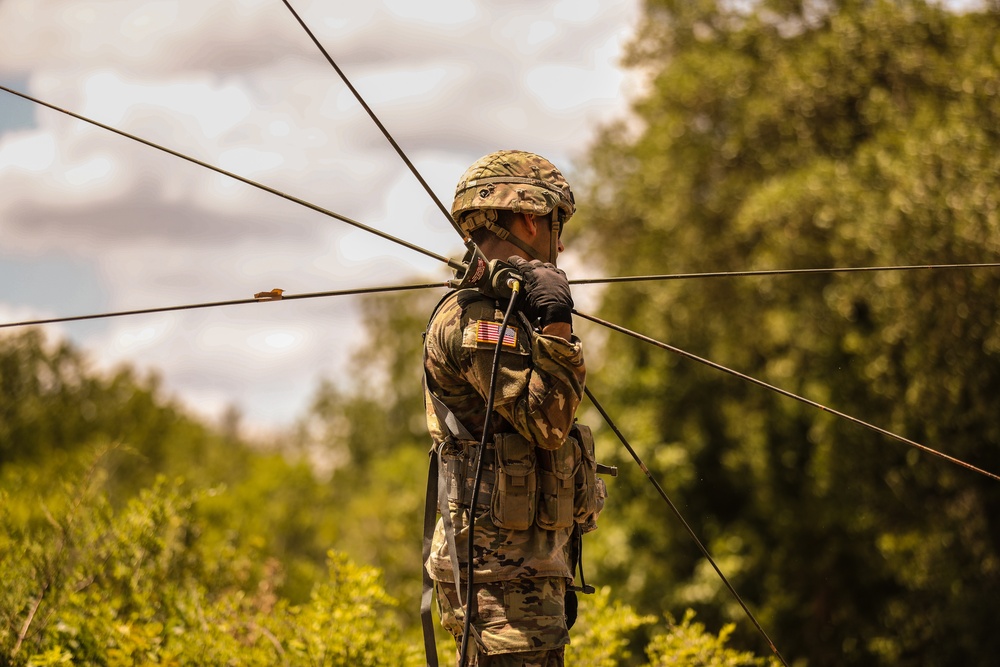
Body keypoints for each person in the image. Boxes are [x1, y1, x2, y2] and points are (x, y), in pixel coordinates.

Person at [421, 150, 600, 667]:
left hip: (515, 570)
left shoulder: (503, 310)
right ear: (530, 217)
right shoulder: (478, 320)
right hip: (497, 581)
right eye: (556, 224)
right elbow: (547, 423)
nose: (560, 242)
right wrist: (558, 323)